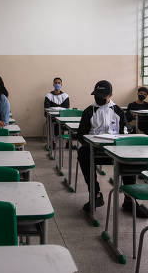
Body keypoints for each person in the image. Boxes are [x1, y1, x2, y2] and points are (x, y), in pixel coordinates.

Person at [76, 80, 127, 212]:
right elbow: (81, 134)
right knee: (83, 152)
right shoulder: (89, 111)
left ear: (110, 95)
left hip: (115, 149)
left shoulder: (118, 111)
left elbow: (124, 134)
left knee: (128, 159)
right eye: (96, 96)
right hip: (94, 149)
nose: (98, 98)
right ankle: (95, 194)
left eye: (102, 96)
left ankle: (129, 200)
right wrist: (92, 144)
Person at [44, 77, 70, 148]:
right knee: (51, 122)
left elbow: (66, 108)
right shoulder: (48, 96)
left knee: (70, 122)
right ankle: (53, 142)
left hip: (63, 118)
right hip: (52, 118)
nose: (57, 84)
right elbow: (47, 108)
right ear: (53, 84)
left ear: (61, 84)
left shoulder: (65, 96)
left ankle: (68, 143)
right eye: (56, 83)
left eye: (59, 83)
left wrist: (54, 108)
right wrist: (60, 109)